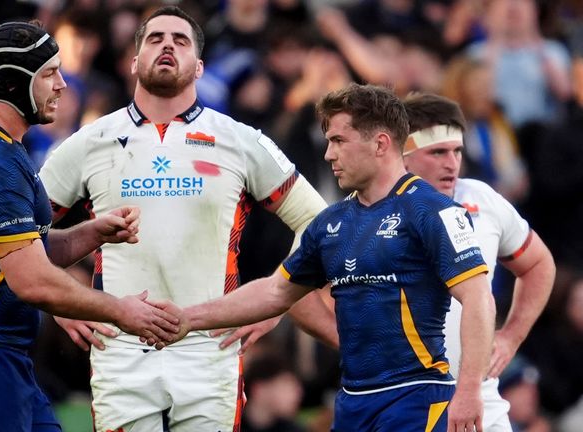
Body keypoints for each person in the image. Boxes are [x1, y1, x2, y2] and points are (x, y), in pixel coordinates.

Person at [39, 6, 330, 431]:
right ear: (133, 62)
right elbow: (16, 231)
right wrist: (58, 298)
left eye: (181, 40)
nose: (168, 46)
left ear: (199, 66)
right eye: (155, 39)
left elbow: (317, 222)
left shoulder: (240, 140)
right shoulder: (88, 142)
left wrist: (278, 298)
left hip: (210, 346)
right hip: (121, 348)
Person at [173, 83, 496, 432]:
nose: (328, 154)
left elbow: (479, 297)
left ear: (380, 144)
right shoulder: (331, 223)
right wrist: (187, 318)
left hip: (416, 398)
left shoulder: (431, 210)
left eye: (339, 140)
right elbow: (276, 292)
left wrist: (469, 390)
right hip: (352, 403)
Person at [0, 21, 181, 431]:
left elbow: (25, 249)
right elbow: (32, 280)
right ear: (14, 83)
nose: (62, 85)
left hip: (2, 357)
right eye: (50, 73)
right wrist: (123, 312)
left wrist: (91, 232)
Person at [401, 92, 556, 431]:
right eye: (438, 152)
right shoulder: (369, 211)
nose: (452, 163)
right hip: (402, 399)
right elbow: (303, 287)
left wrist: (511, 336)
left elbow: (539, 265)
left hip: (480, 396)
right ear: (403, 157)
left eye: (457, 151)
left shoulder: (480, 198)